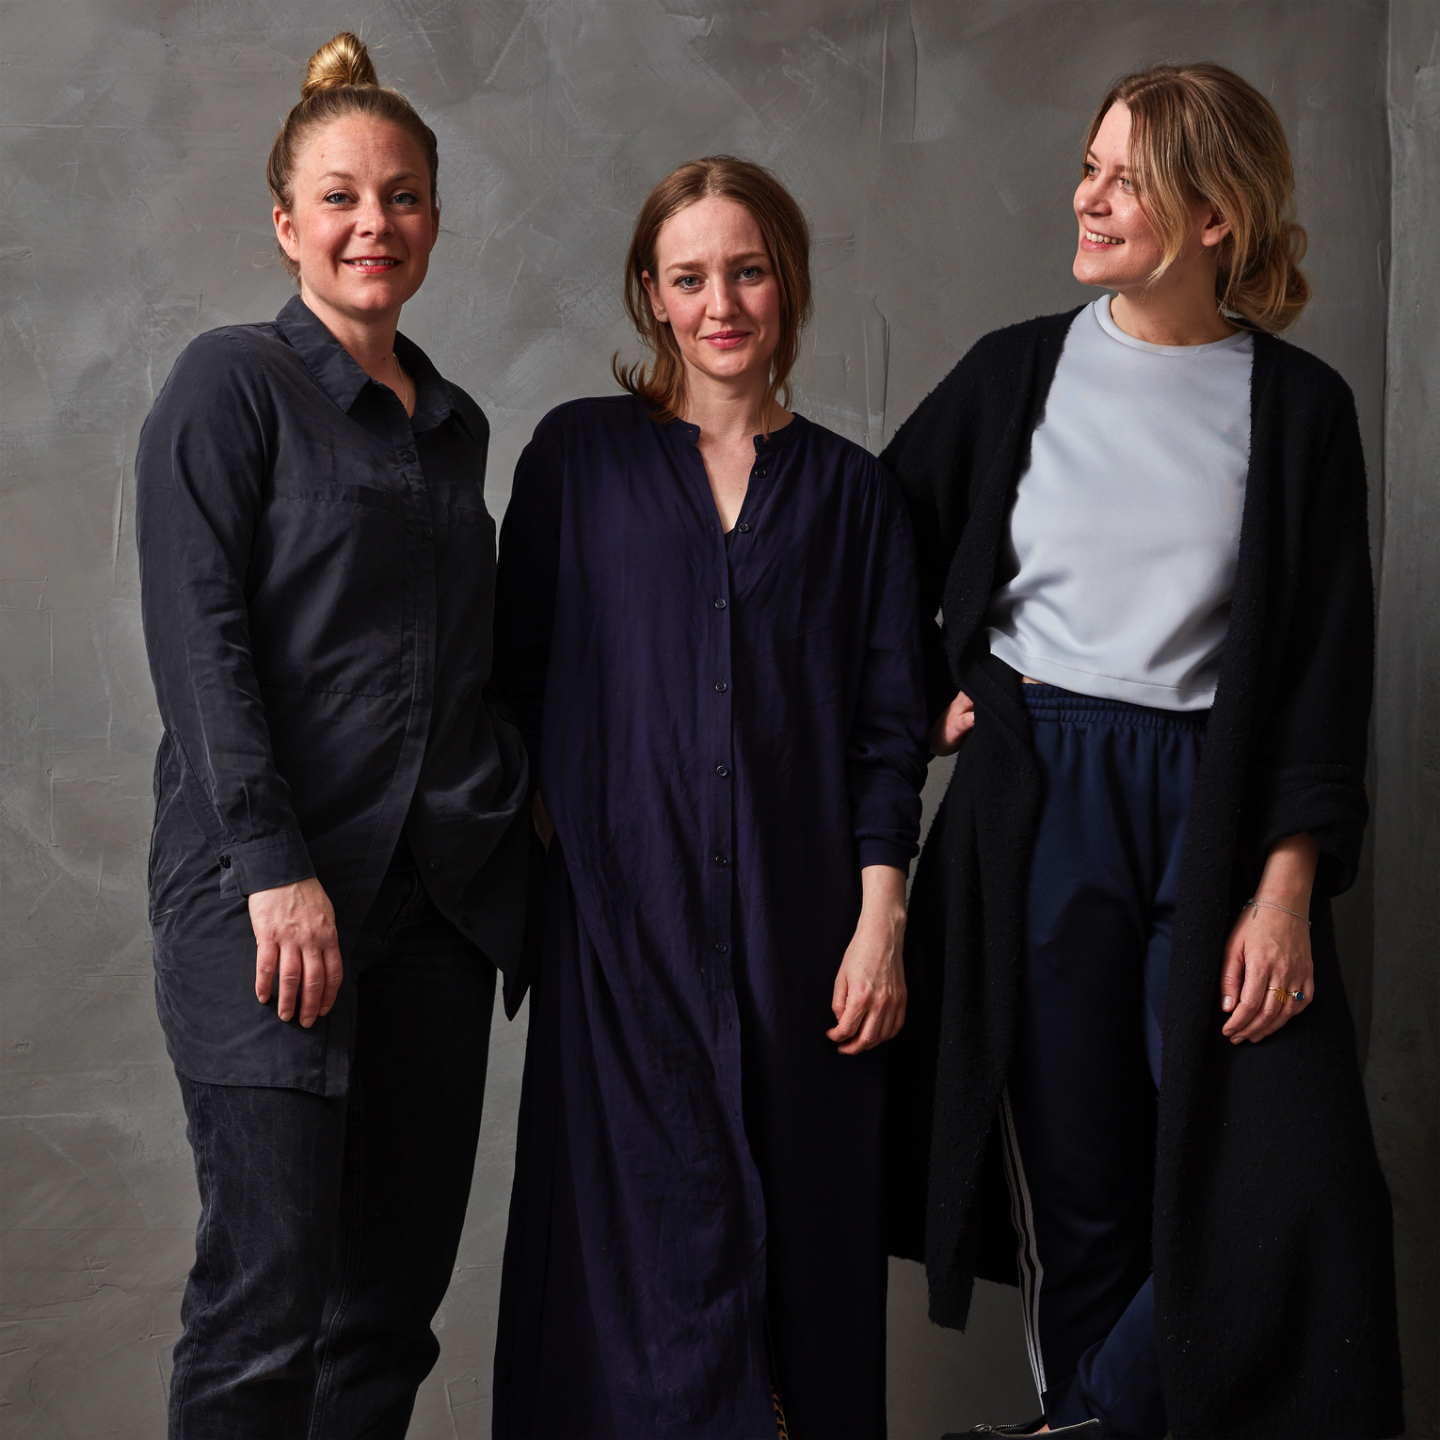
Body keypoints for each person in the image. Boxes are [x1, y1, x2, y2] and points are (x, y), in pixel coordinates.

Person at [881, 63, 1404, 1440]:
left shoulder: (1300, 408)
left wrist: (1286, 890)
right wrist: (924, 700)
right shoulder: (1016, 373)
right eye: (1090, 166)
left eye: (1128, 179)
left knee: (1285, 1181)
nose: (1089, 198)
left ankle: (1091, 1429)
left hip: (1217, 809)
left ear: (1216, 215)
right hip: (1039, 800)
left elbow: (1324, 669)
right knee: (1085, 1194)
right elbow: (866, 553)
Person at [488, 156, 928, 1439]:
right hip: (619, 953)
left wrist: (880, 924)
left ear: (789, 283)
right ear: (651, 294)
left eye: (748, 272)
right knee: (620, 1278)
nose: (720, 305)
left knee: (802, 1277)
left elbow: (888, 736)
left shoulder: (854, 495)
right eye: (689, 278)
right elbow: (512, 683)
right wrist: (574, 838)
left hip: (805, 949)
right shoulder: (576, 458)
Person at [135, 33, 529, 1437]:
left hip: (436, 916)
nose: (376, 224)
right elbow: (200, 647)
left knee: (384, 1324)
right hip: (269, 904)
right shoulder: (227, 385)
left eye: (403, 196)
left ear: (436, 218)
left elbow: (469, 661)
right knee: (266, 1313)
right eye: (343, 197)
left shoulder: (457, 426)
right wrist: (273, 868)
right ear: (286, 222)